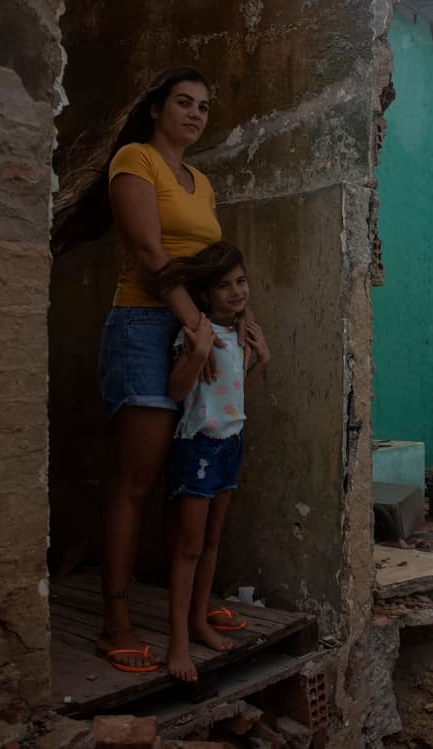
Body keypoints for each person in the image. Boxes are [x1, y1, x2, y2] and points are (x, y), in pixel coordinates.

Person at [95, 67, 223, 673]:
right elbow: (151, 254)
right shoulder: (134, 160)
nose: (195, 114)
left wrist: (232, 321)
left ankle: (189, 612)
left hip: (194, 329)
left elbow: (212, 265)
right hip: (146, 329)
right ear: (156, 108)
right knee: (136, 481)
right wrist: (194, 324)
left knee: (195, 475)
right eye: (183, 102)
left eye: (203, 106)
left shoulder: (201, 182)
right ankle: (115, 620)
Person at [158, 242, 270, 682]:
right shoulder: (194, 334)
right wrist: (199, 354)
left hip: (231, 444)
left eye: (240, 281)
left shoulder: (241, 334)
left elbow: (236, 393)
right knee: (188, 546)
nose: (236, 291)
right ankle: (178, 643)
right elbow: (175, 392)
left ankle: (199, 620)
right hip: (199, 448)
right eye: (223, 286)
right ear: (205, 295)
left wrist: (261, 359)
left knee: (210, 543)